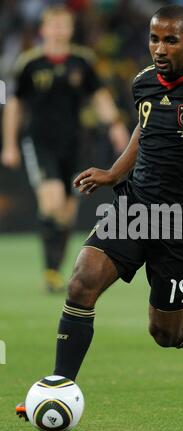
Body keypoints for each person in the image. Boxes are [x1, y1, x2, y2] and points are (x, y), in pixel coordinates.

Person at [16, 5, 183, 419]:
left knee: (165, 332)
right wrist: (113, 172)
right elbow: (144, 126)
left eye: (170, 40)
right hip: (135, 208)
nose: (159, 48)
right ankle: (59, 387)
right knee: (81, 282)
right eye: (154, 38)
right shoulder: (143, 83)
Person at [1, 5, 129, 292]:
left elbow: (99, 96)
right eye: (54, 25)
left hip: (74, 144)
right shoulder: (29, 63)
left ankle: (55, 269)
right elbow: (15, 105)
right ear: (43, 30)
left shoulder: (82, 61)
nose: (59, 31)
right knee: (52, 202)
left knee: (67, 213)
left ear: (71, 29)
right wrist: (9, 144)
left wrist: (115, 126)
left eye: (64, 25)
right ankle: (50, 271)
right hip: (40, 142)